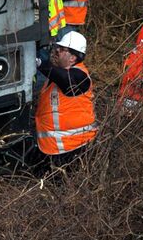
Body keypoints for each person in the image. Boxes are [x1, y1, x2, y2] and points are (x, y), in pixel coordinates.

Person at [35, 31, 97, 166]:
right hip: (55, 148)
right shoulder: (57, 75)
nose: (57, 51)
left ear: (72, 58)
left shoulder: (80, 77)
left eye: (62, 50)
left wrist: (40, 63)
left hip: (74, 149)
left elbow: (66, 80)